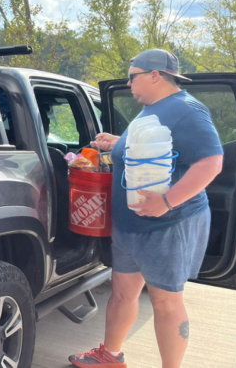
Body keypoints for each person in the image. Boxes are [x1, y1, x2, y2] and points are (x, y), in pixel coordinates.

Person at [69, 49, 224, 368]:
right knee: (123, 293)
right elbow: (151, 147)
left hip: (168, 224)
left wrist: (167, 200)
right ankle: (110, 356)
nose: (128, 83)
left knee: (166, 302)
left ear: (155, 75)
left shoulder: (187, 110)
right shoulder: (152, 109)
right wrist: (117, 142)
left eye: (132, 76)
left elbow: (210, 163)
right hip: (131, 224)